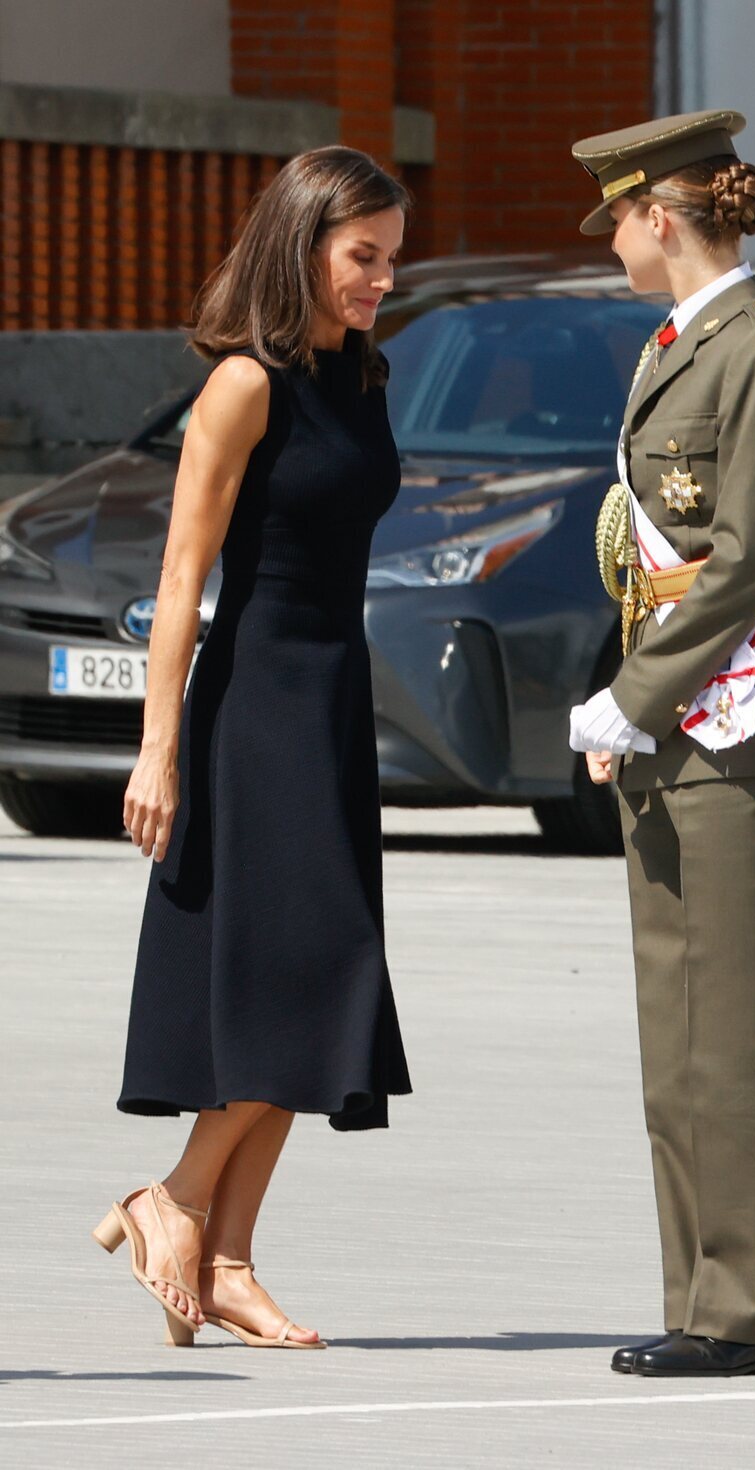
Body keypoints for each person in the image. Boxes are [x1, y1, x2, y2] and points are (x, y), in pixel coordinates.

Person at [92, 146, 412, 1349]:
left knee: (319, 981)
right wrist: (157, 748)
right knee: (310, 974)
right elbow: (179, 581)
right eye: (361, 256)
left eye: (390, 255)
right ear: (302, 246)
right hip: (254, 714)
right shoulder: (244, 383)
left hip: (332, 701)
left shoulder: (363, 377)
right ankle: (171, 1202)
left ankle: (223, 1255)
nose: (382, 277)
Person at [568, 110, 755, 1378]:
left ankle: (746, 1317)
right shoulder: (674, 350)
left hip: (750, 731)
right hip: (679, 730)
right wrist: (634, 705)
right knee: (678, 1036)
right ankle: (699, 1299)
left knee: (737, 1036)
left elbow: (747, 558)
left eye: (617, 220)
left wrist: (633, 695)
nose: (612, 242)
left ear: (660, 217)